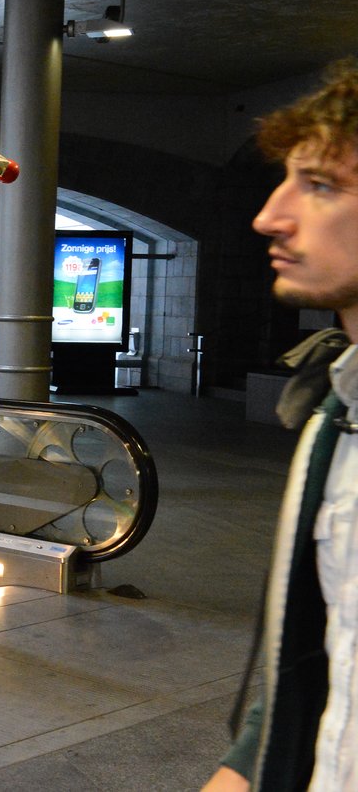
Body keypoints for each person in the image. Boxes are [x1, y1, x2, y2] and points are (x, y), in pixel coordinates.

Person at [203, 61, 358, 792]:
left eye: (322, 186)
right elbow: (323, 654)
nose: (270, 214)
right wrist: (244, 769)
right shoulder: (333, 416)